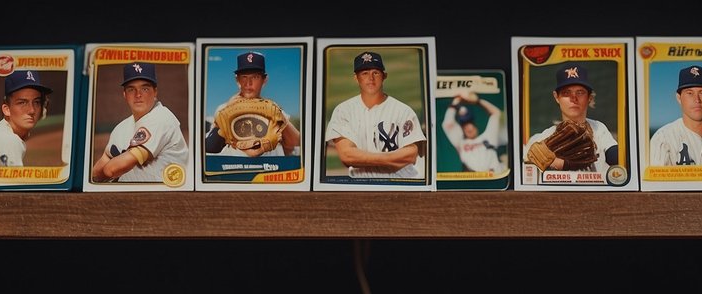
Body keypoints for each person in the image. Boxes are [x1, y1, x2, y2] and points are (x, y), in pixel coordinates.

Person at [324, 51, 427, 179]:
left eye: (376, 73)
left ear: (384, 76)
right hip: (361, 187)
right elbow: (347, 156)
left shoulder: (403, 111)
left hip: (403, 182)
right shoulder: (343, 111)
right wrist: (392, 159)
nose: (371, 78)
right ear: (356, 78)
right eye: (365, 73)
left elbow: (410, 155)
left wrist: (362, 157)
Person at [90, 61, 189, 183]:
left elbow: (110, 170)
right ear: (125, 94)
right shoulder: (120, 129)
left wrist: (118, 159)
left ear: (155, 92)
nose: (138, 95)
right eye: (132, 89)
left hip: (168, 195)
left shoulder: (162, 118)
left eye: (145, 88)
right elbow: (96, 174)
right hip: (132, 196)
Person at [203, 51, 301, 158]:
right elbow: (210, 146)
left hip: (267, 170)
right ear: (237, 80)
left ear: (264, 80)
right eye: (244, 77)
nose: (248, 83)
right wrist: (227, 111)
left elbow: (295, 142)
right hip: (234, 171)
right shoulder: (223, 109)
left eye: (255, 77)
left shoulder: (274, 109)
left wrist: (280, 116)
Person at [523, 64, 618, 174]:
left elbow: (615, 156)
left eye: (580, 92)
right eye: (566, 93)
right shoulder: (543, 138)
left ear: (589, 97)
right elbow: (527, 172)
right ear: (556, 97)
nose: (574, 98)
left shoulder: (599, 129)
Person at [0, 70, 52, 168]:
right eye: (22, 102)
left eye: (36, 102)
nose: (32, 110)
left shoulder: (2, 132)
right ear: (7, 110)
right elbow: (15, 184)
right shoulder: (10, 141)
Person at [442, 94, 505, 174]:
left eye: (470, 123)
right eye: (465, 126)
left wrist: (478, 101)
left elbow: (496, 113)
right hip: (476, 180)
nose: (469, 128)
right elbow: (447, 124)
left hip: (496, 177)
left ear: (475, 125)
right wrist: (456, 102)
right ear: (462, 129)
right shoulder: (461, 143)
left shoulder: (488, 136)